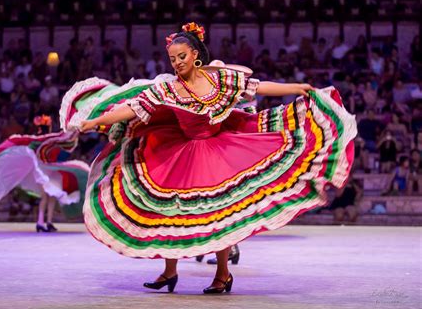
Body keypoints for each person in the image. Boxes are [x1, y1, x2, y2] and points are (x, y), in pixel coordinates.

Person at [66, 22, 356, 294]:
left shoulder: (218, 78)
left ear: (195, 55)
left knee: (220, 213)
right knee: (173, 211)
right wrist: (94, 123)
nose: (177, 63)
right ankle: (170, 271)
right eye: (172, 59)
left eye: (182, 56)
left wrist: (295, 88)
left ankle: (222, 273)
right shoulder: (168, 89)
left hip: (219, 151)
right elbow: (131, 109)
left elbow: (257, 86)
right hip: (181, 152)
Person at [0, 115, 90, 232]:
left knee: (53, 196)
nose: (45, 130)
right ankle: (40, 222)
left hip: (51, 171)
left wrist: (72, 132)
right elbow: (23, 145)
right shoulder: (38, 141)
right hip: (40, 171)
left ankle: (49, 222)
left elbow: (65, 145)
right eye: (44, 127)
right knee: (46, 196)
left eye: (46, 127)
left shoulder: (54, 141)